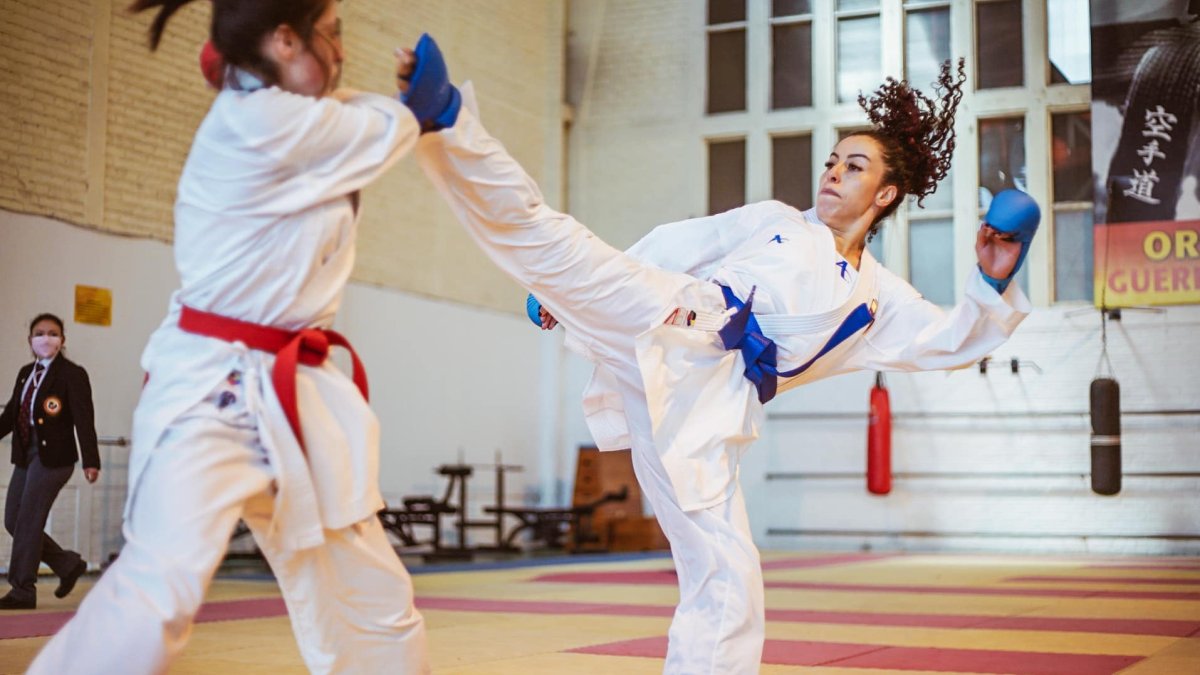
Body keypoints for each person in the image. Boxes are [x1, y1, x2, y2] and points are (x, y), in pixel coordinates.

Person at [415, 59, 1039, 673]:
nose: (832, 173)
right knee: (557, 247)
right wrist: (566, 298)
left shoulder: (878, 299)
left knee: (728, 579)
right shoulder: (773, 220)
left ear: (886, 193)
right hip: (676, 319)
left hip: (709, 413)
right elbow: (671, 245)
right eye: (831, 160)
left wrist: (990, 278)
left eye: (854, 167)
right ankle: (448, 122)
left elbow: (947, 341)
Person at [27, 2, 460, 673]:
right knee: (157, 591)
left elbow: (354, 115)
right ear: (285, 39)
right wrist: (419, 100)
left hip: (298, 398)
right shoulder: (263, 122)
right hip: (213, 393)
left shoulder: (281, 106)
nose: (343, 49)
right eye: (333, 32)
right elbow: (380, 130)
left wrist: (407, 104)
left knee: (369, 597)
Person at [0, 313, 99, 610]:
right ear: (30, 340)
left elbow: (84, 418)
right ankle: (67, 564)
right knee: (13, 521)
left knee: (29, 520)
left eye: (53, 333)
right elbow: (10, 416)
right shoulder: (24, 373)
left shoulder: (72, 374)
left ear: (62, 340)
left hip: (54, 459)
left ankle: (22, 590)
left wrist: (90, 460)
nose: (46, 338)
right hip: (26, 456)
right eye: (40, 333)